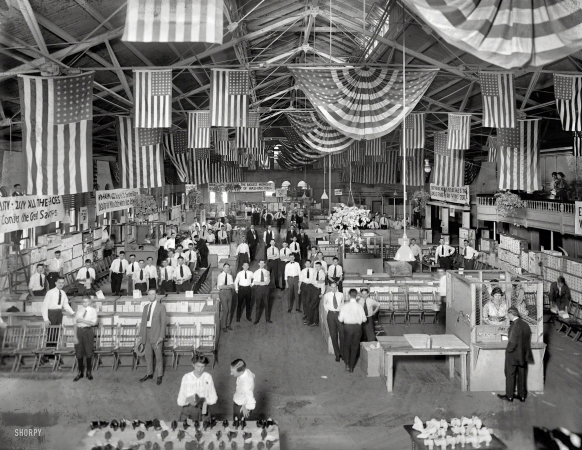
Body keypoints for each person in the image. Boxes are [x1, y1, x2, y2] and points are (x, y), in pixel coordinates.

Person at [497, 307, 534, 403]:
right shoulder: (525, 324)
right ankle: (522, 396)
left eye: (508, 314)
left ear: (511, 314)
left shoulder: (514, 325)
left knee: (510, 375)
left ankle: (509, 396)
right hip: (523, 355)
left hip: (513, 355)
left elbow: (512, 342)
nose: (507, 316)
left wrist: (508, 350)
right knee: (522, 375)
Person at [139, 289, 167, 385]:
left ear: (157, 295)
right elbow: (143, 323)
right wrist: (141, 336)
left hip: (156, 334)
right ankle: (149, 373)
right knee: (148, 356)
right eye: (149, 294)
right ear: (148, 296)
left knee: (158, 356)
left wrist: (161, 337)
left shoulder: (161, 307)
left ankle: (159, 375)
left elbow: (163, 323)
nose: (151, 296)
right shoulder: (146, 307)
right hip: (146, 333)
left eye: (153, 294)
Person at [177, 354, 218, 420]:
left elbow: (214, 397)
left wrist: (205, 400)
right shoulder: (186, 377)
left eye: (202, 367)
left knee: (205, 428)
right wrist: (188, 399)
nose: (199, 369)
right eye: (197, 366)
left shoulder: (208, 377)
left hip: (204, 409)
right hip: (188, 410)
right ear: (193, 364)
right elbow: (180, 400)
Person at [338, 289, 367, 373]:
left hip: (347, 328)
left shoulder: (344, 306)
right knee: (355, 347)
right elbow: (364, 320)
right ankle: (351, 366)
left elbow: (340, 319)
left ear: (349, 295)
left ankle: (346, 364)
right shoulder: (359, 306)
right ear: (357, 295)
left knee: (347, 346)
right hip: (357, 328)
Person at [73, 297, 98, 382]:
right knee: (79, 352)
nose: (84, 303)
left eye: (86, 302)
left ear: (90, 302)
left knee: (88, 351)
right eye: (83, 302)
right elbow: (75, 324)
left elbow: (93, 323)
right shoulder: (79, 311)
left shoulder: (93, 311)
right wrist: (75, 336)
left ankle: (88, 372)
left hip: (88, 331)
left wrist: (83, 320)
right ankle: (80, 372)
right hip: (79, 332)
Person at [323, 282, 344, 362]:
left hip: (339, 314)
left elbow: (342, 304)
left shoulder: (341, 294)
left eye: (335, 287)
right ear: (330, 287)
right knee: (333, 335)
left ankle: (342, 353)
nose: (333, 289)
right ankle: (337, 354)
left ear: (337, 287)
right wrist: (329, 310)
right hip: (331, 315)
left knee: (342, 334)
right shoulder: (327, 295)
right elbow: (324, 304)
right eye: (332, 287)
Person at [217, 263, 235, 332]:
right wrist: (228, 286)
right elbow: (220, 286)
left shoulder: (230, 276)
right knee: (226, 310)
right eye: (225, 267)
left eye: (228, 267)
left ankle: (228, 325)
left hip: (229, 293)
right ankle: (224, 326)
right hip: (223, 293)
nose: (226, 269)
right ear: (223, 268)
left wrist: (227, 286)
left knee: (230, 310)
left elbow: (232, 286)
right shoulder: (220, 276)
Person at [308, 261, 327, 327]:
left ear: (321, 266)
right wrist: (317, 281)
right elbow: (312, 281)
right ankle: (315, 322)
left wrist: (322, 293)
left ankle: (310, 321)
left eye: (318, 266)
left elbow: (322, 284)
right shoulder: (315, 272)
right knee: (315, 307)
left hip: (318, 291)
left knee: (311, 306)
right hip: (313, 289)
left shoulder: (322, 273)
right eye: (316, 266)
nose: (317, 268)